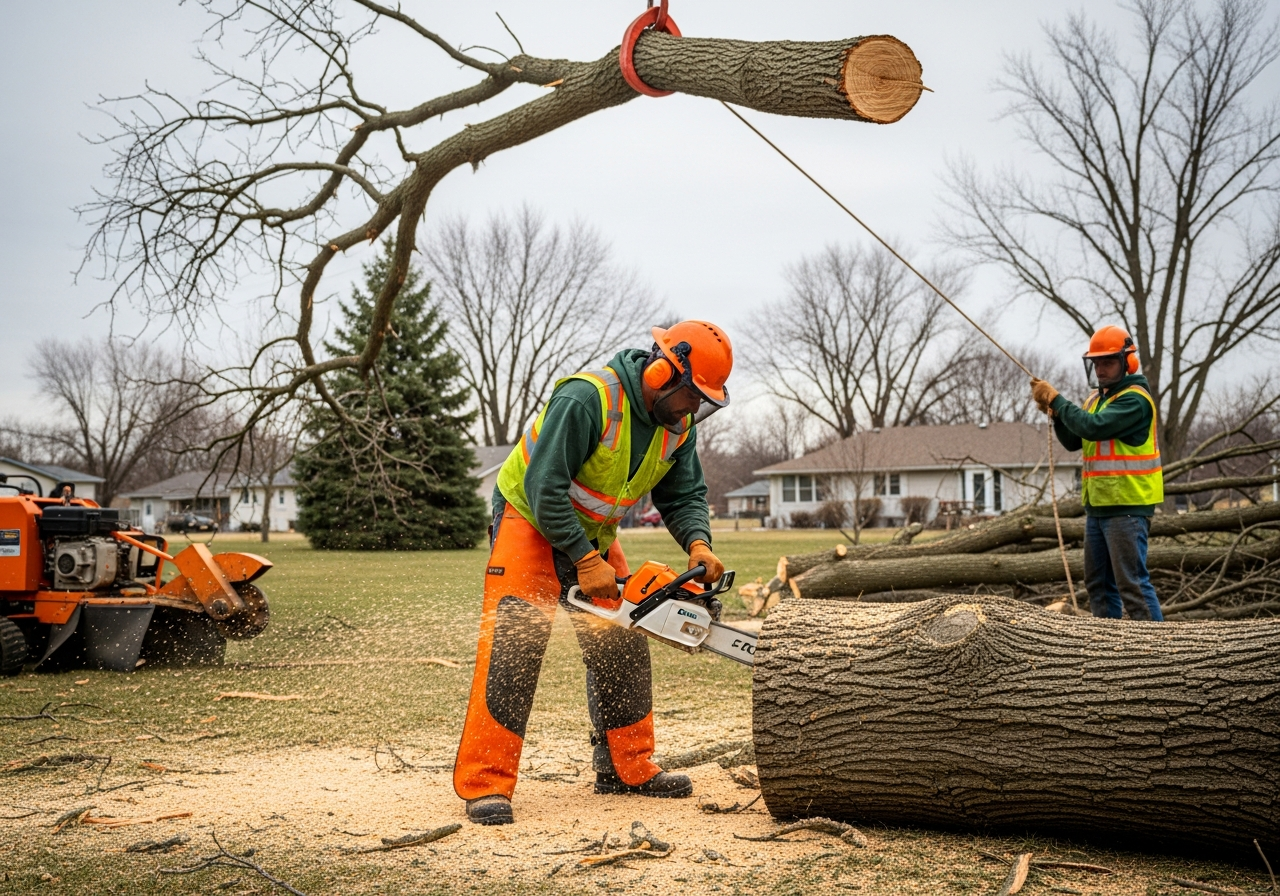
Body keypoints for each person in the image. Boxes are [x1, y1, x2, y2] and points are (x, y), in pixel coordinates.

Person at [453, 320, 732, 825]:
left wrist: (698, 544)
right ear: (662, 371)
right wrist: (583, 561)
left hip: (592, 532)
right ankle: (485, 783)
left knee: (623, 638)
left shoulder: (678, 427)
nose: (694, 408)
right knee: (516, 646)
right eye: (691, 395)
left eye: (702, 400)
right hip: (529, 516)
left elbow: (684, 494)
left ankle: (628, 768)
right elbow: (543, 485)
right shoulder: (588, 400)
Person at [1031, 325, 1164, 622]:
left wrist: (1058, 401)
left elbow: (1094, 427)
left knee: (1132, 584)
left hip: (1127, 506)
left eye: (1108, 362)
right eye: (1097, 363)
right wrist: (1055, 415)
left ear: (1127, 362)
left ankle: (1160, 650)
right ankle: (1107, 648)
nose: (1101, 369)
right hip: (1099, 507)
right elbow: (1075, 439)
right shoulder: (1096, 399)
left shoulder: (1135, 399)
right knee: (1098, 585)